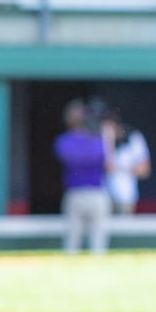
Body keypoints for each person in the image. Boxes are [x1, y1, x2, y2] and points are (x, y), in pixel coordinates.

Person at [54, 98, 111, 254]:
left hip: (78, 194)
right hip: (92, 194)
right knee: (96, 243)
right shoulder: (96, 140)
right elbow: (108, 164)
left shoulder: (64, 141)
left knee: (73, 242)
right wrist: (107, 137)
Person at [101, 107, 150, 216]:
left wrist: (121, 168)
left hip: (125, 197)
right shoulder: (97, 140)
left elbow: (145, 170)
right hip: (102, 197)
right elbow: (107, 166)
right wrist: (108, 142)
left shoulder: (133, 137)